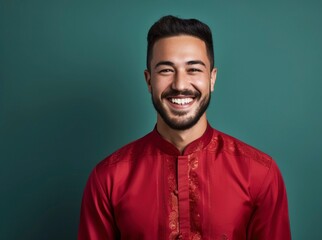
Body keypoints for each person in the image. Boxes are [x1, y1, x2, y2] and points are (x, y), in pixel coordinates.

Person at [78, 15, 291, 240]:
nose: (180, 84)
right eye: (166, 70)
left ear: (212, 79)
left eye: (194, 70)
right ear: (149, 81)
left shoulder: (259, 174)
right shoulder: (108, 179)